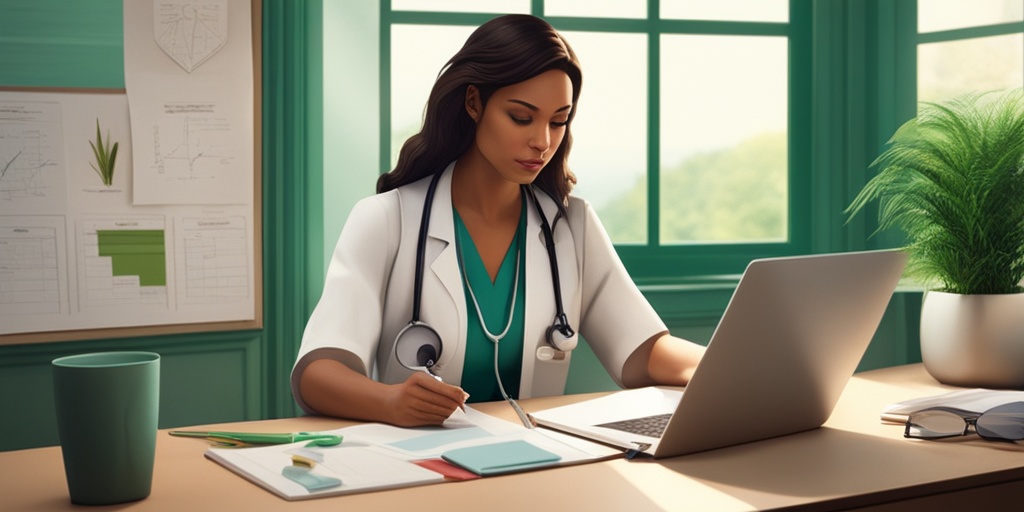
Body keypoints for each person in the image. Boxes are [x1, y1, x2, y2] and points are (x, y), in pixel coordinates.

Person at [291, 14, 705, 427]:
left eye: (558, 121)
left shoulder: (571, 225)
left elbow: (643, 351)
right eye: (522, 117)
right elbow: (317, 374)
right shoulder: (386, 220)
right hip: (421, 469)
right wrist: (389, 402)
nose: (542, 141)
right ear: (474, 103)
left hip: (536, 462)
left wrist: (724, 366)